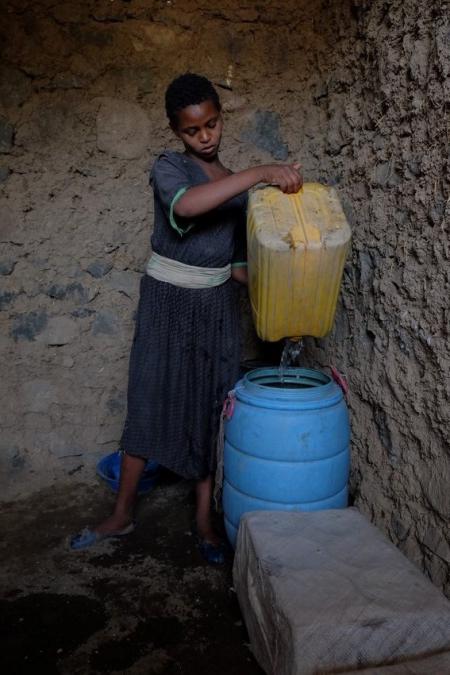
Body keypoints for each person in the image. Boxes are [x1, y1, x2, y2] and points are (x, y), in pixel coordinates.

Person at [70, 73, 302, 563]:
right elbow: (188, 206)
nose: (205, 136)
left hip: (214, 308)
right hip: (167, 303)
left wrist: (284, 287)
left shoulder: (237, 190)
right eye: (192, 130)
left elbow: (236, 267)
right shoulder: (170, 168)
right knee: (149, 397)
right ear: (177, 132)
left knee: (210, 404)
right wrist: (262, 171)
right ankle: (122, 513)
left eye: (211, 124)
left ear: (221, 118)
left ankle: (203, 522)